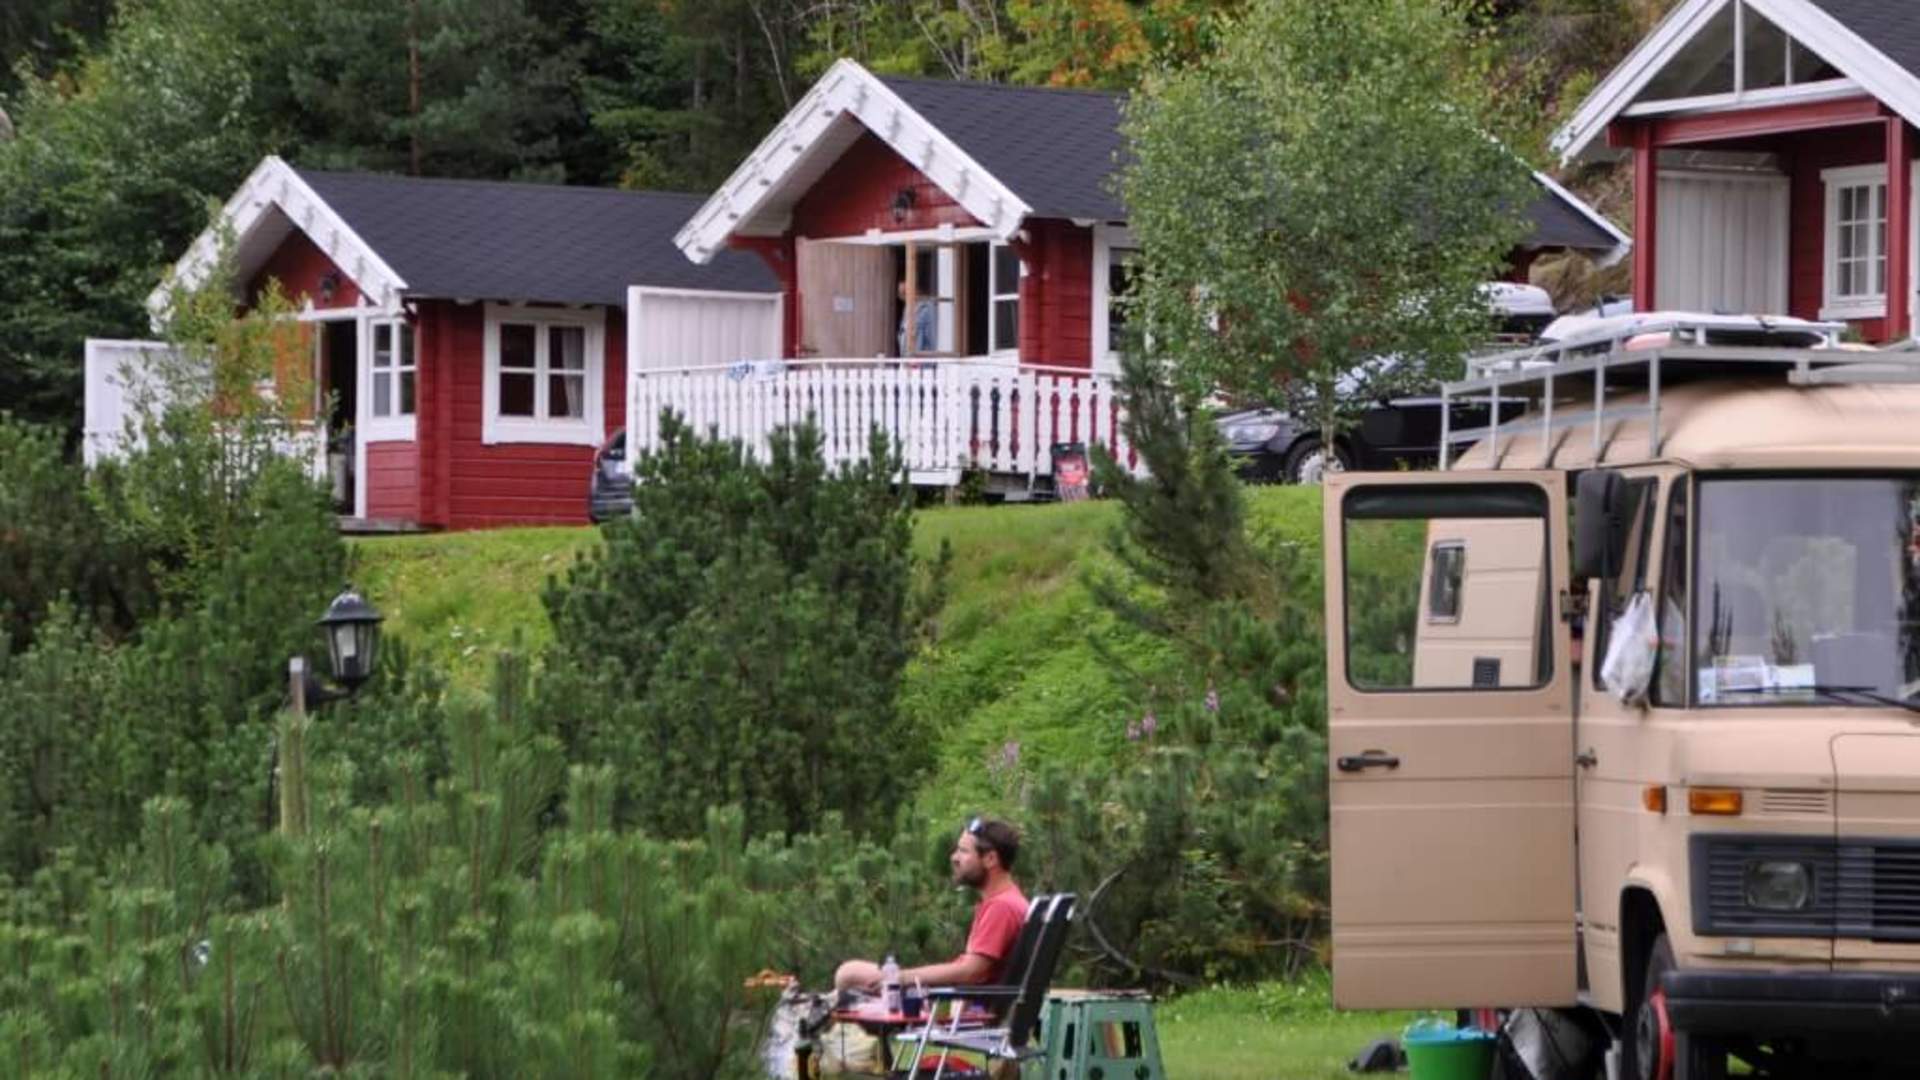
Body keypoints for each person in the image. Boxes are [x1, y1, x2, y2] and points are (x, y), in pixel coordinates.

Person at [835, 817, 1029, 993]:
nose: (954, 858)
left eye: (963, 851)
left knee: (849, 974)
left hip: (965, 1010)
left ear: (990, 859)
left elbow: (971, 972)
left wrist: (901, 978)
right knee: (847, 978)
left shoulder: (1002, 907)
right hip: (962, 1003)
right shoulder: (1009, 901)